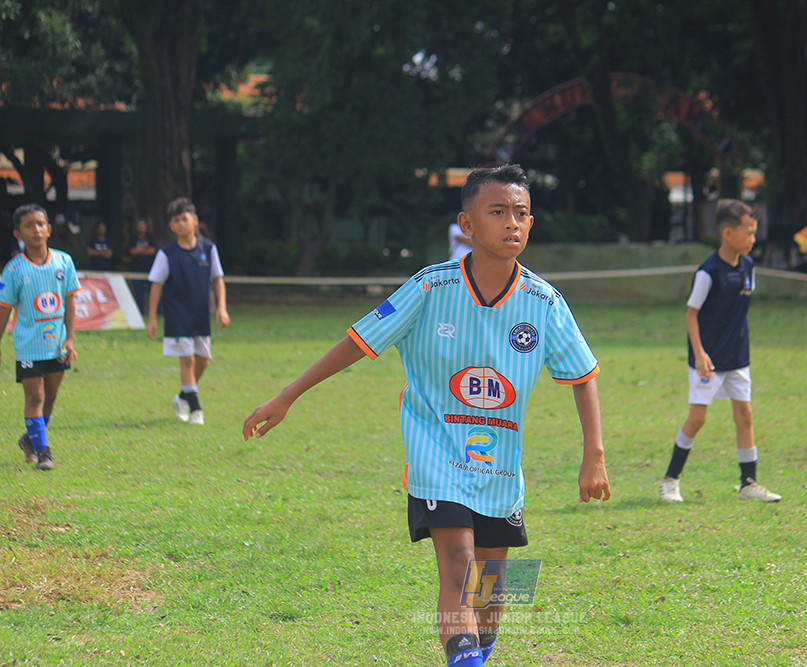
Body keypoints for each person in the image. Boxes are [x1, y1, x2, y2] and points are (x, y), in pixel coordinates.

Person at [243, 164, 611, 667]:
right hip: (435, 451)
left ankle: (477, 653)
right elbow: (359, 341)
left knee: (491, 591)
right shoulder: (430, 287)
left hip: (500, 464)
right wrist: (288, 395)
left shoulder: (544, 301)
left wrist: (594, 454)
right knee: (458, 564)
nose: (512, 222)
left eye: (521, 212)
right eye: (498, 211)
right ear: (467, 224)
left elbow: (583, 374)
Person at [657, 199, 782, 504]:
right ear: (728, 234)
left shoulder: (749, 266)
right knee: (697, 419)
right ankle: (670, 481)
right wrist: (700, 354)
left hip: (738, 357)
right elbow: (692, 314)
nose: (753, 239)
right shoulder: (708, 272)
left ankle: (748, 484)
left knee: (745, 415)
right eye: (748, 232)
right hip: (708, 359)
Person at [0, 204, 82, 471]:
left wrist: (70, 338)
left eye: (40, 224)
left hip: (57, 344)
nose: (36, 230)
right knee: (35, 396)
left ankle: (29, 439)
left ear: (49, 229)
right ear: (18, 234)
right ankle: (44, 453)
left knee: (50, 397)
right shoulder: (14, 270)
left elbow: (70, 301)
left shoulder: (64, 262)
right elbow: (4, 308)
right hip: (28, 346)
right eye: (28, 225)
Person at [146, 197, 229, 426]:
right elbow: (156, 285)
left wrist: (221, 308)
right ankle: (196, 409)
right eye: (176, 221)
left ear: (195, 221)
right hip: (176, 315)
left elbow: (218, 279)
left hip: (200, 314)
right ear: (171, 226)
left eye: (185, 219)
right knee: (188, 361)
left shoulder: (209, 249)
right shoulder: (167, 254)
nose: (181, 224)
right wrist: (152, 319)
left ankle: (182, 397)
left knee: (203, 362)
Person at [128, 218, 158, 314]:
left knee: (153, 290)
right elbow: (132, 252)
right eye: (139, 226)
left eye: (143, 226)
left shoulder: (150, 239)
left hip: (150, 270)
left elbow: (152, 251)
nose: (141, 228)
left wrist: (139, 251)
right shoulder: (133, 239)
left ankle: (158, 310)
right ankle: (141, 311)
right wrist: (145, 250)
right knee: (138, 292)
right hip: (136, 269)